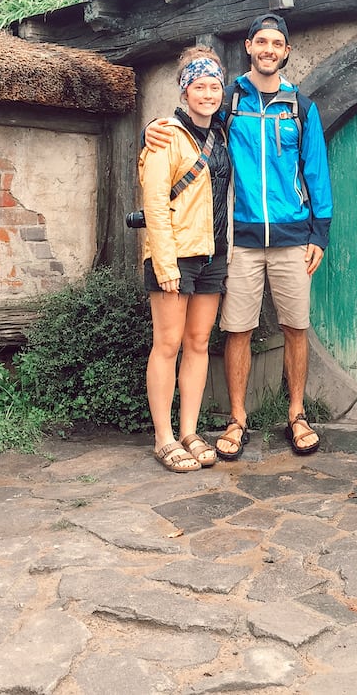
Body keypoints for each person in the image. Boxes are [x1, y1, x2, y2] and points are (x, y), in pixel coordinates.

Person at [146, 13, 333, 460]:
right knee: (237, 330)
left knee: (295, 327)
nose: (269, 49)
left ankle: (297, 413)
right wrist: (149, 130)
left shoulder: (301, 108)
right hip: (240, 239)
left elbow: (316, 172)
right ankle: (236, 419)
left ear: (286, 51)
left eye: (277, 44)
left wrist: (319, 233)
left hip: (292, 236)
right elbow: (188, 127)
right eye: (261, 42)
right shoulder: (227, 99)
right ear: (248, 46)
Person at [139, 46, 232, 472]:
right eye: (199, 86)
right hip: (174, 253)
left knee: (198, 345)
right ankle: (164, 438)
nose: (208, 93)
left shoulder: (223, 133)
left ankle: (190, 430)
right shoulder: (165, 137)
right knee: (168, 344)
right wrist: (165, 263)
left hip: (213, 252)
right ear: (184, 91)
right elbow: (155, 203)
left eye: (214, 86)